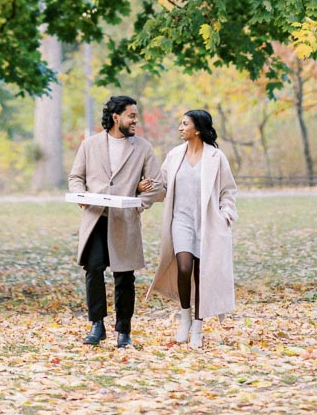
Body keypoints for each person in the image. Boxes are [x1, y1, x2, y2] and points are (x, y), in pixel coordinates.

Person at [68, 94, 162, 348]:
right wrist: (81, 196)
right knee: (94, 270)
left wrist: (137, 201)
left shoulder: (142, 147)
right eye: (131, 116)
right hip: (96, 218)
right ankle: (97, 325)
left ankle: (124, 331)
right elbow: (76, 177)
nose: (135, 121)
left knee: (124, 277)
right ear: (115, 117)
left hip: (124, 220)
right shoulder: (89, 145)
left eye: (136, 116)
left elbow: (158, 185)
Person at [146, 109, 237, 349]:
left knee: (202, 273)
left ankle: (198, 326)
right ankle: (185, 316)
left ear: (197, 129)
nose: (180, 127)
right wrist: (144, 188)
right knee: (184, 267)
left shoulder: (216, 157)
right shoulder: (174, 155)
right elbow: (163, 187)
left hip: (208, 222)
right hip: (181, 220)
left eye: (184, 124)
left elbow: (228, 190)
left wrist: (226, 215)